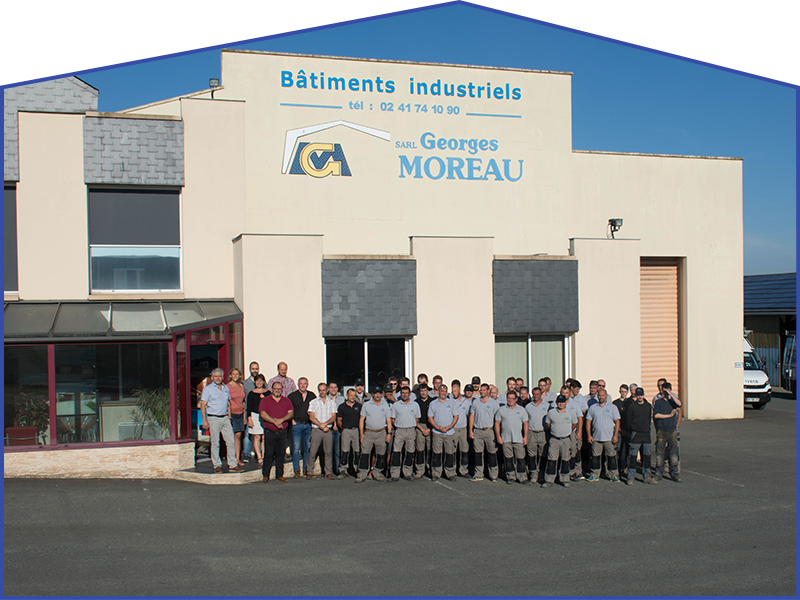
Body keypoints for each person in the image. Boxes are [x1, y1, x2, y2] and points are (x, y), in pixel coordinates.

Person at [199, 368, 242, 473]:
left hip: (225, 417)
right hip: (214, 418)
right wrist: (204, 420)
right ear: (212, 377)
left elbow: (228, 403)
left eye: (220, 376)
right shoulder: (208, 389)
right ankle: (217, 465)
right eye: (216, 376)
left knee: (231, 441)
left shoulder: (225, 388)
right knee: (215, 443)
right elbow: (203, 405)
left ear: (222, 377)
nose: (218, 378)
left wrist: (229, 417)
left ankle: (232, 464)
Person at [259, 381, 293, 483]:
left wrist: (281, 420)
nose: (277, 391)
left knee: (280, 454)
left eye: (279, 389)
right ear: (271, 389)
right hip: (270, 432)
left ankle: (279, 475)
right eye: (275, 389)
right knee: (268, 454)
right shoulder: (265, 400)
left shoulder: (286, 401)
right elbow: (263, 414)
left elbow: (290, 413)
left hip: (282, 432)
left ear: (282, 390)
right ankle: (266, 475)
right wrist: (275, 422)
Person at [356, 386, 392, 483]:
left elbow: (388, 420)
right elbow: (361, 419)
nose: (377, 395)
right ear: (372, 394)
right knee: (364, 454)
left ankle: (377, 473)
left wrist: (389, 433)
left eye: (379, 393)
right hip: (368, 433)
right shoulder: (366, 405)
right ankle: (362, 474)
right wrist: (361, 434)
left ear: (382, 394)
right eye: (376, 393)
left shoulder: (385, 405)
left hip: (381, 432)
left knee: (380, 454)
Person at [585, 388, 621, 482]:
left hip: (609, 438)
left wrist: (615, 435)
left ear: (606, 396)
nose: (601, 397)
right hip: (596, 438)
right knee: (595, 457)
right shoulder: (593, 408)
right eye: (599, 395)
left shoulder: (613, 407)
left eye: (603, 395)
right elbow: (588, 422)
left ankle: (613, 475)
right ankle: (594, 475)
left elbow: (617, 422)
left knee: (611, 457)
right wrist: (589, 435)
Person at [542, 394, 577, 488]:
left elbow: (574, 424)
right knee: (551, 460)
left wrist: (567, 431)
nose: (561, 404)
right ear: (556, 402)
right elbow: (548, 424)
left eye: (563, 402)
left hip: (566, 439)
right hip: (554, 439)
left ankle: (564, 479)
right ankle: (549, 480)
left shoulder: (571, 413)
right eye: (559, 402)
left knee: (565, 460)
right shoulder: (551, 412)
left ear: (566, 403)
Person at [494, 390, 529, 484]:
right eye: (509, 398)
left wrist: (525, 437)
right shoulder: (501, 410)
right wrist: (498, 436)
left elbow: (525, 423)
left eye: (513, 398)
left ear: (516, 399)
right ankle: (511, 476)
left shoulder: (521, 410)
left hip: (518, 439)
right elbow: (497, 423)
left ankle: (522, 477)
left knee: (520, 459)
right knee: (508, 459)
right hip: (506, 439)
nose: (510, 400)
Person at [468, 383, 500, 482]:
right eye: (481, 390)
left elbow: (497, 419)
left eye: (484, 390)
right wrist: (470, 430)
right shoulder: (475, 402)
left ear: (488, 391)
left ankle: (493, 475)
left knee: (492, 453)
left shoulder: (494, 403)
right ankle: (478, 474)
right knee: (478, 454)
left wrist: (497, 433)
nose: (482, 392)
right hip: (478, 431)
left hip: (489, 431)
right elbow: (472, 416)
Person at [625, 387, 657, 485]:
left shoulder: (648, 406)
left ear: (644, 395)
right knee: (633, 456)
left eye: (641, 395)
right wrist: (632, 429)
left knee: (647, 456)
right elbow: (628, 420)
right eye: (638, 395)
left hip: (646, 433)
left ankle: (647, 476)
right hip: (636, 433)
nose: (640, 397)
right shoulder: (632, 406)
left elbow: (649, 418)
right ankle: (630, 477)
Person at [389, 386, 421, 481]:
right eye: (403, 393)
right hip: (400, 430)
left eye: (406, 393)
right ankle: (394, 474)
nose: (404, 395)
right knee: (396, 452)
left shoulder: (415, 405)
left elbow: (417, 418)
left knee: (410, 452)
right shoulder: (396, 405)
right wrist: (398, 425)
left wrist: (411, 425)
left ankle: (407, 473)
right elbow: (392, 419)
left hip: (411, 430)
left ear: (410, 394)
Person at [427, 384, 458, 481]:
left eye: (445, 391)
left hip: (449, 433)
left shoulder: (452, 403)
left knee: (450, 454)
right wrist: (437, 427)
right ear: (438, 392)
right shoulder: (433, 404)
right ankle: (436, 473)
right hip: (437, 433)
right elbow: (430, 418)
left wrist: (450, 426)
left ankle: (450, 473)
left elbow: (456, 416)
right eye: (442, 391)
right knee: (437, 454)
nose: (444, 393)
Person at [653, 381, 682, 482]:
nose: (664, 392)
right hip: (662, 429)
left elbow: (679, 404)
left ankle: (674, 472)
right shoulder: (658, 402)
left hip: (672, 429)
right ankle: (659, 473)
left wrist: (670, 394)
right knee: (660, 452)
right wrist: (668, 416)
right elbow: (656, 415)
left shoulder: (673, 401)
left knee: (673, 452)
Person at [307, 384, 337, 480]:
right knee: (313, 451)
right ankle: (309, 472)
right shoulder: (313, 402)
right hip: (316, 430)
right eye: (320, 390)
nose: (322, 392)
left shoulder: (331, 403)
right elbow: (311, 417)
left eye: (324, 390)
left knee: (328, 452)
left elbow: (333, 417)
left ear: (327, 390)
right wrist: (320, 425)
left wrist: (325, 424)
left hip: (327, 430)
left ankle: (328, 472)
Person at [287, 378, 316, 478]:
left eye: (304, 384)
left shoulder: (312, 395)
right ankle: (297, 470)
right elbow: (289, 409)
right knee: (296, 449)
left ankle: (305, 469)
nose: (303, 385)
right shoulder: (292, 396)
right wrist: (292, 420)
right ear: (298, 384)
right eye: (301, 384)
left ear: (307, 384)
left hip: (308, 425)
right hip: (297, 424)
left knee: (307, 448)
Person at [524, 387, 549, 484]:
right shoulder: (528, 407)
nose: (535, 396)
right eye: (534, 394)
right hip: (532, 432)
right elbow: (525, 421)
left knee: (543, 454)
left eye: (537, 394)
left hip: (543, 432)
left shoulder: (547, 406)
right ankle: (533, 474)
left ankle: (541, 474)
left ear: (541, 394)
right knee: (531, 455)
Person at [336, 388, 362, 479]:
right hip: (346, 430)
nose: (352, 397)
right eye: (351, 395)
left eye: (354, 395)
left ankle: (358, 469)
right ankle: (343, 469)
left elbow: (362, 419)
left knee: (357, 451)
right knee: (345, 450)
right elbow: (339, 420)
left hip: (356, 430)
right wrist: (343, 428)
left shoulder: (359, 406)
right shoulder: (342, 407)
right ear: (347, 396)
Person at [449, 379, 471, 477]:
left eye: (455, 391)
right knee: (452, 450)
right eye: (452, 391)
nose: (453, 393)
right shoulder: (450, 401)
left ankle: (463, 470)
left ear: (460, 390)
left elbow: (469, 416)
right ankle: (452, 470)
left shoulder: (466, 402)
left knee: (464, 450)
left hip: (463, 429)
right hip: (453, 429)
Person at [226, 367, 247, 466]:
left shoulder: (241, 386)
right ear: (230, 375)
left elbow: (243, 401)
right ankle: (232, 458)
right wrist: (229, 416)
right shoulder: (228, 387)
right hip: (232, 413)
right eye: (233, 374)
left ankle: (237, 458)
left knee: (238, 436)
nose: (235, 376)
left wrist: (244, 416)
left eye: (237, 374)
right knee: (232, 436)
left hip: (240, 413)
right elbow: (227, 402)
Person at [246, 374, 267, 465]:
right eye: (257, 380)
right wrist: (249, 419)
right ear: (254, 382)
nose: (259, 382)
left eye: (261, 380)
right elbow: (249, 407)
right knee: (257, 436)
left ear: (263, 382)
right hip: (255, 416)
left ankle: (264, 455)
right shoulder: (251, 393)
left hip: (265, 416)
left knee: (264, 437)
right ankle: (259, 456)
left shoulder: (268, 393)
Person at [414, 383, 433, 478]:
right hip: (419, 426)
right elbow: (414, 418)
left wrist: (429, 429)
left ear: (427, 391)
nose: (423, 393)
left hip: (430, 426)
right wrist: (422, 429)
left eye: (425, 391)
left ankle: (430, 469)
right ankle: (420, 470)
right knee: (420, 449)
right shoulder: (415, 402)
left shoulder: (432, 401)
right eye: (422, 391)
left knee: (430, 449)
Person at [242, 361, 260, 461]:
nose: (255, 371)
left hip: (259, 413)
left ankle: (259, 454)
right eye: (253, 369)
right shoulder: (245, 383)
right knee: (247, 434)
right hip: (248, 412)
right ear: (249, 370)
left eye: (256, 369)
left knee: (260, 435)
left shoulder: (262, 383)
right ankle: (246, 454)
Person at [327, 382, 345, 476]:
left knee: (338, 450)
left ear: (337, 389)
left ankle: (338, 469)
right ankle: (329, 470)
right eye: (331, 387)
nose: (333, 389)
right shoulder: (325, 399)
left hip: (339, 428)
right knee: (328, 450)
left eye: (335, 387)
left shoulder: (342, 399)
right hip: (328, 427)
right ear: (328, 389)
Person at [613, 384, 630, 472]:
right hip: (618, 429)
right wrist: (618, 428)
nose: (623, 393)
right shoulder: (615, 403)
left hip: (627, 429)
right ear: (619, 392)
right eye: (622, 391)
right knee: (618, 449)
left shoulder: (629, 403)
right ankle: (617, 468)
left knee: (627, 449)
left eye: (625, 392)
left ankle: (625, 466)